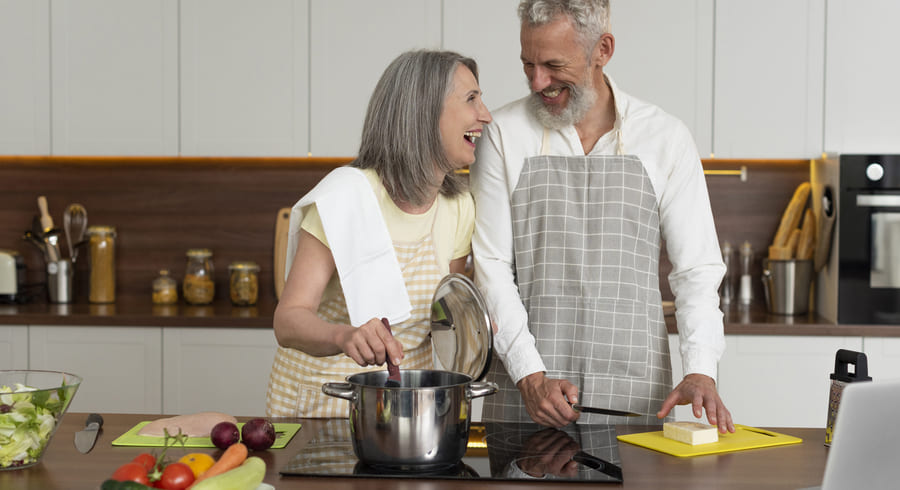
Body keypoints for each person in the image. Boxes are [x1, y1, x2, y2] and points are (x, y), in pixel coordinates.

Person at [470, 0, 735, 433]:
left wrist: (701, 367)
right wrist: (529, 375)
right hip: (528, 392)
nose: (539, 82)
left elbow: (696, 271)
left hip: (633, 391)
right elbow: (491, 269)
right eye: (528, 64)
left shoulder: (665, 137)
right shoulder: (501, 134)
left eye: (554, 65)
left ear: (603, 49)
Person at [266, 49, 492, 417]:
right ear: (424, 112)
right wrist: (344, 336)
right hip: (321, 405)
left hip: (403, 406)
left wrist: (474, 326)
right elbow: (288, 320)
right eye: (471, 99)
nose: (485, 114)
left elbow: (442, 314)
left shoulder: (458, 206)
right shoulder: (345, 195)